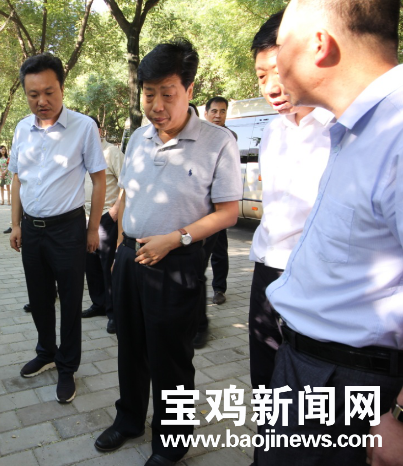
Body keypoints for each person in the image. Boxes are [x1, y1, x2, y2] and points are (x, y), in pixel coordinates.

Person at [253, 1, 403, 465]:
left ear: (319, 44)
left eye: (283, 43)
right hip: (308, 368)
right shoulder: (360, 127)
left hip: (351, 383)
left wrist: (398, 415)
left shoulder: (396, 132)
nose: (275, 62)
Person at [94, 40, 241, 466]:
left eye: (167, 94)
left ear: (189, 90)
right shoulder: (138, 137)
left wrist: (175, 239)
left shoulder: (217, 141)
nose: (156, 105)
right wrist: (120, 241)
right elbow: (127, 193)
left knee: (171, 358)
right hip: (130, 257)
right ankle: (129, 420)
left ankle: (172, 444)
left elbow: (229, 213)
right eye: (148, 94)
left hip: (175, 262)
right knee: (130, 345)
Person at [8, 53, 107, 404]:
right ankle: (46, 351)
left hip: (68, 229)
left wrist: (93, 229)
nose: (41, 101)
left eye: (48, 92)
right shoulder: (22, 128)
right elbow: (18, 179)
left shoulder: (83, 127)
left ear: (62, 88)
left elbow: (99, 180)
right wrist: (15, 224)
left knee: (69, 299)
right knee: (38, 298)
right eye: (33, 94)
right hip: (31, 231)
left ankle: (67, 367)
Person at [246, 10, 332, 392]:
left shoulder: (339, 128)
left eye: (278, 72)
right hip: (267, 271)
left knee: (306, 389)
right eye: (261, 77)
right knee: (264, 379)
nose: (271, 87)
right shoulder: (271, 133)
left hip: (315, 279)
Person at [192, 96, 238, 348]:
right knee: (197, 266)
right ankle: (196, 321)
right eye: (214, 111)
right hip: (199, 217)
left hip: (218, 213)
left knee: (216, 255)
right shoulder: (199, 137)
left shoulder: (226, 138)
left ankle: (217, 292)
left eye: (222, 111)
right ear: (206, 113)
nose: (218, 115)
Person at [82, 116, 124, 334]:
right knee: (91, 264)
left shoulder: (112, 153)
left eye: (92, 128)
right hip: (84, 217)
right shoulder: (81, 152)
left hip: (107, 215)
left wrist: (116, 209)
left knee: (108, 265)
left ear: (99, 130)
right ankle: (98, 303)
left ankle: (114, 312)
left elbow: (127, 182)